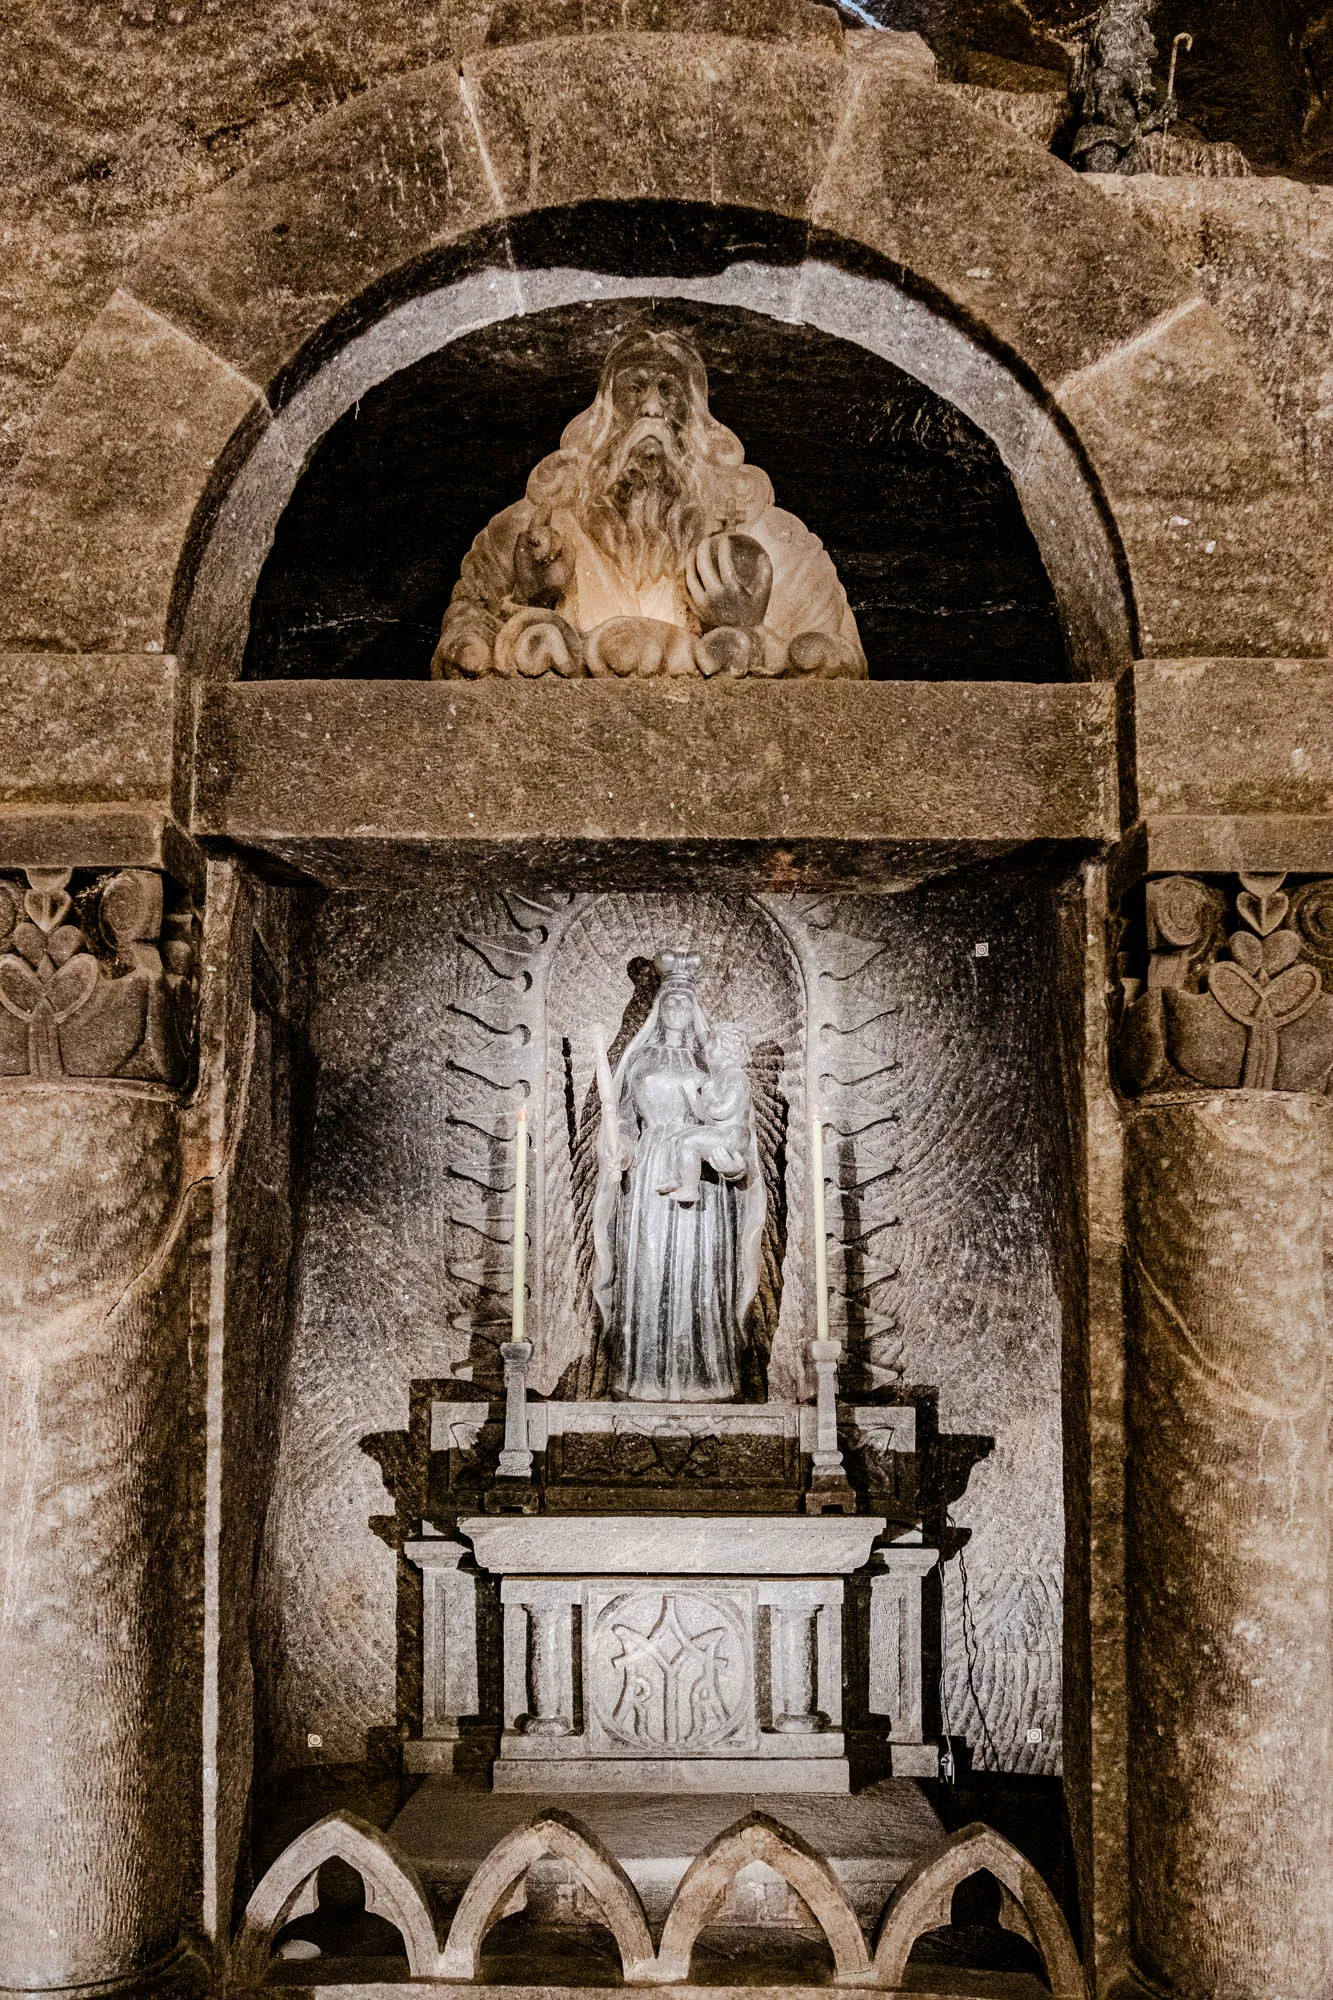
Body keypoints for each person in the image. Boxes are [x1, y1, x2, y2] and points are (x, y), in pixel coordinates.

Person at [591, 952, 764, 1401]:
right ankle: (643, 1375)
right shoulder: (640, 1056)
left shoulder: (712, 1060)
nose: (675, 1008)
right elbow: (624, 1117)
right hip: (650, 1173)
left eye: (684, 1002)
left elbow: (734, 1117)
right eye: (669, 1000)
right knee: (649, 1265)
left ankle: (709, 1378)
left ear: (695, 1009)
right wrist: (621, 1147)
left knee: (701, 1267)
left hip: (704, 1178)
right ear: (657, 1007)